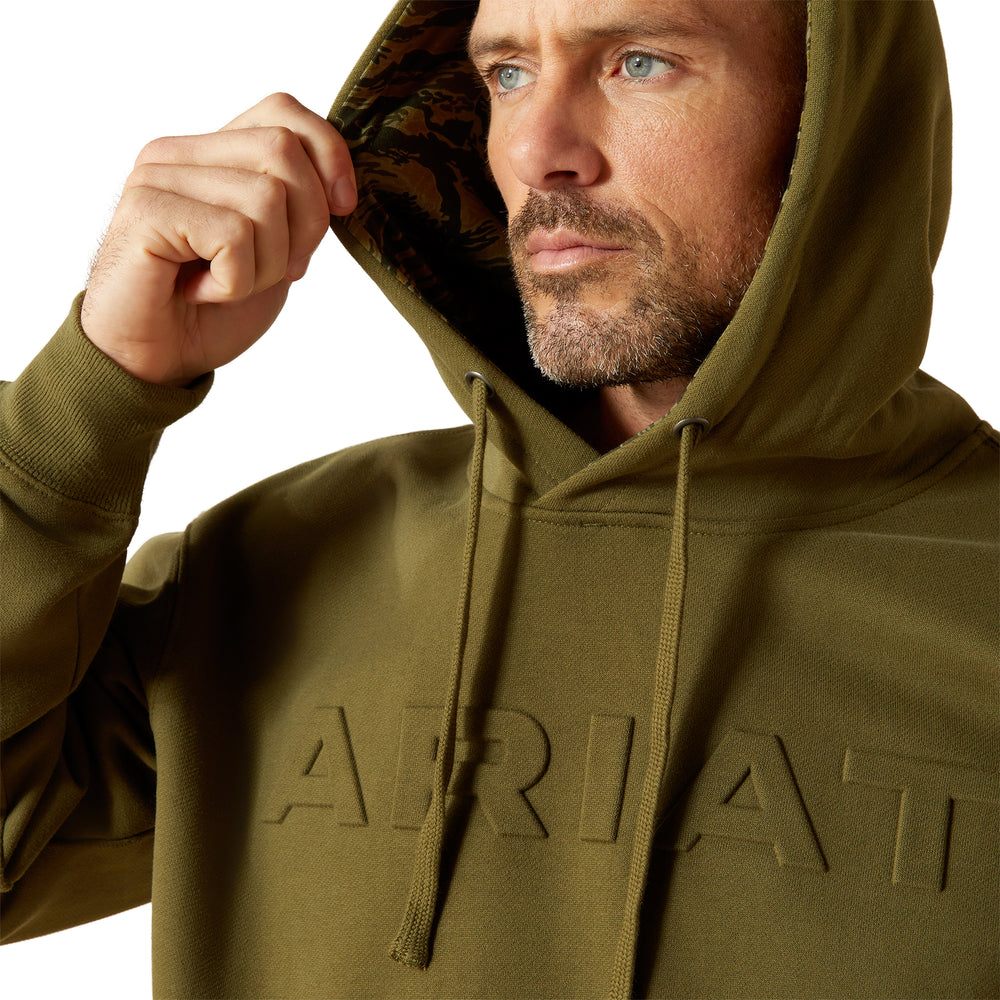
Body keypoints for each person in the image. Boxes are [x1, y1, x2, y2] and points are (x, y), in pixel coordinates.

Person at [2, 1, 997, 997]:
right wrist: (93, 396)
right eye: (507, 73)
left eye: (640, 63)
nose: (535, 150)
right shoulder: (265, 571)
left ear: (838, 117)